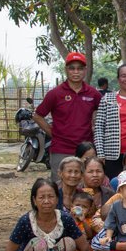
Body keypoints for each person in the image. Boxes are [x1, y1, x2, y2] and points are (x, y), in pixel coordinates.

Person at [4, 178, 89, 251]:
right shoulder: (26, 221)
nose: (46, 201)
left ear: (57, 199)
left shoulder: (65, 219)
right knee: (39, 243)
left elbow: (84, 248)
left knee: (68, 242)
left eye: (51, 197)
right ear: (34, 200)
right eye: (41, 197)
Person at [34, 51, 101, 180]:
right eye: (72, 68)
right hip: (61, 149)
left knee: (86, 187)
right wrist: (52, 132)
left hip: (86, 151)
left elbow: (105, 114)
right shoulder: (55, 93)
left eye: (80, 68)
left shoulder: (93, 94)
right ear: (66, 70)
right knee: (60, 186)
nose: (76, 72)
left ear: (85, 70)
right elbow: (38, 116)